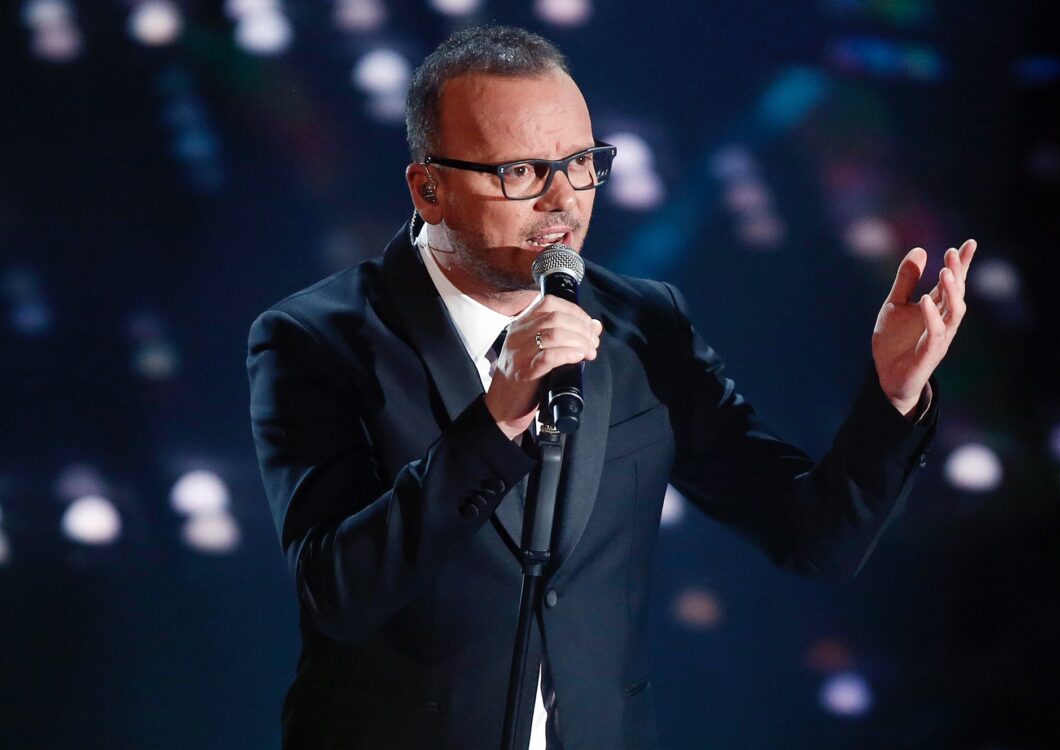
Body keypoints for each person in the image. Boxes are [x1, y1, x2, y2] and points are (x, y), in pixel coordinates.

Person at [247, 25, 974, 750]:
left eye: (580, 163)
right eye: (521, 172)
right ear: (429, 189)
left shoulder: (645, 326)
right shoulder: (317, 338)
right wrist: (495, 421)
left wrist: (894, 397)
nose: (562, 200)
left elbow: (813, 538)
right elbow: (338, 592)